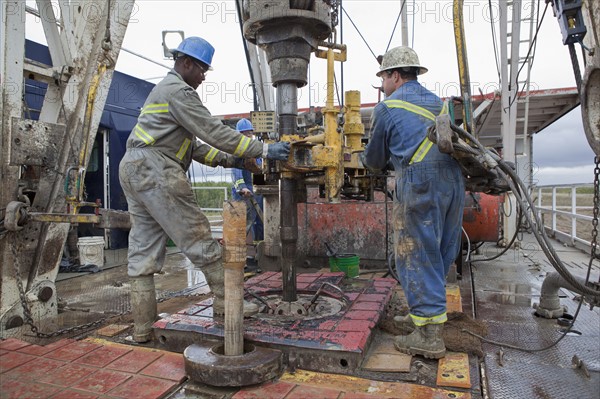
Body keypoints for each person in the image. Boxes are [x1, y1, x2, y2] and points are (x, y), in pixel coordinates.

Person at [118, 36, 290, 343]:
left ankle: (143, 329)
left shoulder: (166, 94)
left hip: (135, 166)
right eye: (202, 70)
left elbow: (195, 148)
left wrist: (234, 159)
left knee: (142, 252)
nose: (203, 77)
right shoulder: (179, 91)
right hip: (156, 168)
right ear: (186, 64)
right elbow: (212, 132)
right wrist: (262, 149)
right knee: (197, 236)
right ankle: (227, 303)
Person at [362, 46, 465, 359]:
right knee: (440, 251)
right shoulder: (439, 104)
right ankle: (423, 316)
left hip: (421, 183)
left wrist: (366, 160)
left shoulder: (386, 108)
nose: (382, 85)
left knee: (416, 254)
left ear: (395, 75)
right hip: (453, 182)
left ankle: (429, 336)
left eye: (383, 78)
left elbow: (375, 160)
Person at [230, 118, 264, 247]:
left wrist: (262, 188)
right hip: (243, 194)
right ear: (239, 135)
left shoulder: (256, 151)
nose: (247, 136)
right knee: (242, 222)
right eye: (244, 133)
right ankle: (236, 251)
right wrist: (242, 188)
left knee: (259, 221)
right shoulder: (237, 151)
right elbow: (236, 173)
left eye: (249, 133)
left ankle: (259, 248)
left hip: (256, 192)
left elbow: (259, 170)